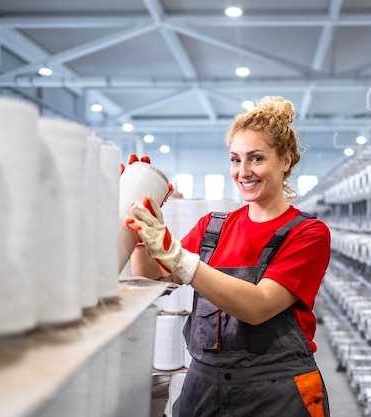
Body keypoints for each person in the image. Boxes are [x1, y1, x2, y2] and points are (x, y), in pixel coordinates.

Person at [125, 96, 332, 417]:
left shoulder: (307, 233)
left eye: (257, 158)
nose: (244, 171)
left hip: (276, 393)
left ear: (286, 160)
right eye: (235, 160)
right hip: (205, 388)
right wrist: (140, 221)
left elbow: (258, 306)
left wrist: (178, 256)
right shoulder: (213, 228)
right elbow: (153, 276)